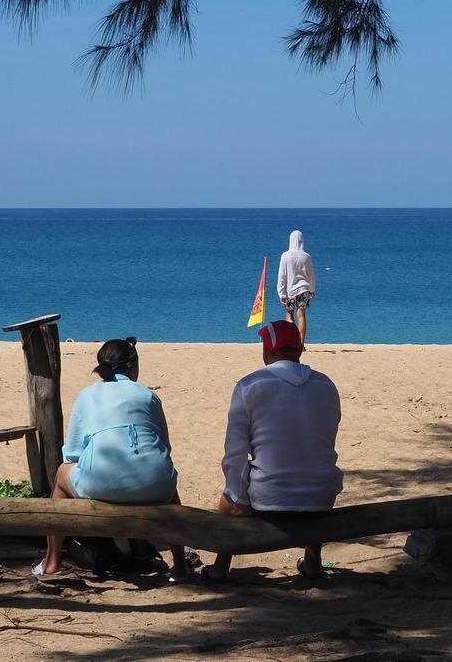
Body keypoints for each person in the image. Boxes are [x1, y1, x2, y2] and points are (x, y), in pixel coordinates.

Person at [35, 337, 188, 579]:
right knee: (167, 480)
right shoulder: (148, 396)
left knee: (62, 474)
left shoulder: (87, 395)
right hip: (155, 488)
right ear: (133, 366)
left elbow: (72, 453)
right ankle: (180, 565)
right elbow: (164, 447)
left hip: (103, 486)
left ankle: (51, 562)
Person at [205, 319, 342, 582]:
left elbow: (235, 455)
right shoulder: (326, 385)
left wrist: (238, 499)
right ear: (300, 350)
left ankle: (221, 566)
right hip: (321, 498)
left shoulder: (249, 385)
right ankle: (313, 561)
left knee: (227, 500)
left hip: (269, 497)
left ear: (266, 351)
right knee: (311, 462)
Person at [277, 229, 316, 340]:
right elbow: (311, 275)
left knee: (289, 315)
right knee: (301, 316)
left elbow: (282, 276)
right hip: (304, 290)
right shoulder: (306, 257)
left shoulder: (285, 256)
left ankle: (291, 341)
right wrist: (312, 290)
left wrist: (281, 293)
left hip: (290, 291)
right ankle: (301, 343)